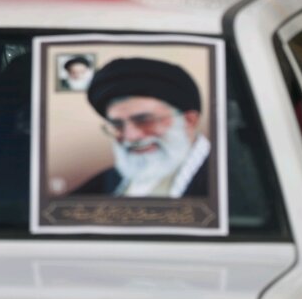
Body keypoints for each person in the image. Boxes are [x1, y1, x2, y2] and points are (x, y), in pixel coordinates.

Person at [70, 57, 210, 198]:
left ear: (189, 120)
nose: (130, 136)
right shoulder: (102, 185)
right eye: (117, 124)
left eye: (145, 120)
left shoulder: (225, 176)